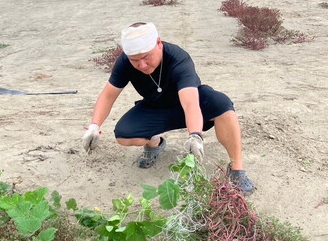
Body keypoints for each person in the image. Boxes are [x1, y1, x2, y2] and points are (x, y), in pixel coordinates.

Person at [82, 22, 255, 195]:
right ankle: (155, 143)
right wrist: (94, 126)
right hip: (156, 107)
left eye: (146, 57)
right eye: (135, 60)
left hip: (190, 104)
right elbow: (108, 95)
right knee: (124, 134)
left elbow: (190, 103)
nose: (141, 65)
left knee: (222, 104)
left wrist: (195, 134)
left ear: (158, 43)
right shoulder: (125, 62)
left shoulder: (178, 58)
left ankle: (237, 168)